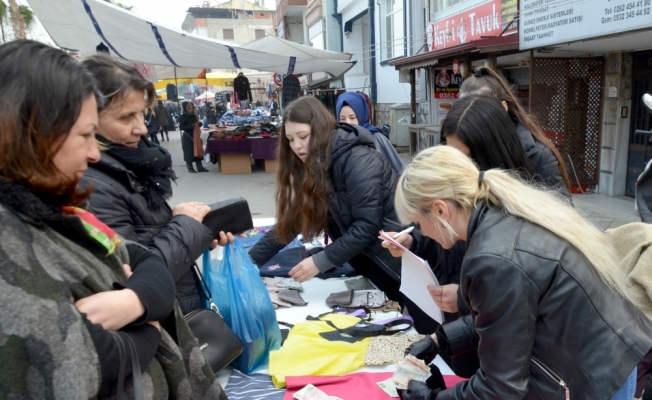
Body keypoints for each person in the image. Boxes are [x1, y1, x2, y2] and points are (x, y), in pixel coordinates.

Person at [0, 40, 225, 399]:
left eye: (142, 114)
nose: (92, 153)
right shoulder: (28, 226)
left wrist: (136, 303)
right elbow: (82, 357)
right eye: (85, 135)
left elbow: (142, 260)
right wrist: (150, 322)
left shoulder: (58, 207)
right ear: (34, 134)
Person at [395, 145, 652, 400]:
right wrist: (442, 339)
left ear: (440, 210)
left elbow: (500, 388)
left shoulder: (492, 258)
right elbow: (510, 320)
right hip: (604, 364)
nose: (422, 232)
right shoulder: (504, 216)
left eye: (418, 222)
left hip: (595, 380)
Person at [383, 94, 545, 378]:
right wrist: (441, 338)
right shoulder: (482, 225)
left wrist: (466, 297)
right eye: (449, 152)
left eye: (464, 157)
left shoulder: (498, 246)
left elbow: (502, 382)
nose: (454, 169)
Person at [248, 96, 434, 333]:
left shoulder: (357, 158)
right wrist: (250, 262)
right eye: (290, 139)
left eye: (303, 137)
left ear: (321, 129)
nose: (296, 146)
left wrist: (320, 262)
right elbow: (293, 221)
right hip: (371, 263)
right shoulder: (316, 161)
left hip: (397, 263)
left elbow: (367, 225)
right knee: (396, 325)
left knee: (424, 331)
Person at [81, 54, 229, 313]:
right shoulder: (92, 184)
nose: (142, 128)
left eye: (141, 114)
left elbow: (145, 238)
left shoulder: (130, 165)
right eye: (126, 117)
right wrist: (185, 226)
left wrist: (197, 231)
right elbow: (132, 281)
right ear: (87, 120)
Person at [459, 66, 571, 193]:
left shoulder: (537, 155)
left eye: (480, 109)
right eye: (463, 108)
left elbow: (561, 209)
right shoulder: (460, 149)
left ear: (503, 108)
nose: (470, 117)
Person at [336, 91, 405, 174]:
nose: (348, 123)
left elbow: (400, 170)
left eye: (352, 117)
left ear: (361, 115)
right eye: (342, 119)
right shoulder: (337, 142)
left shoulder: (376, 138)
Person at [178, 101, 209, 173]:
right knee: (188, 153)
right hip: (187, 137)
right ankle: (190, 168)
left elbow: (196, 125)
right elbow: (182, 127)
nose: (191, 110)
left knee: (197, 151)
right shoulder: (182, 117)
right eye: (189, 109)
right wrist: (191, 126)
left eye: (192, 108)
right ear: (186, 109)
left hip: (196, 136)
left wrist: (199, 124)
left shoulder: (194, 116)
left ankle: (200, 167)